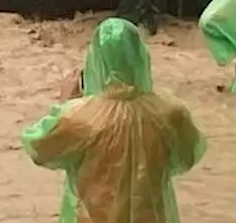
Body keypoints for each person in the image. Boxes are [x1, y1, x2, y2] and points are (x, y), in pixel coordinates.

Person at [22, 17, 206, 223]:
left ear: (95, 61)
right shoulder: (171, 113)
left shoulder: (79, 117)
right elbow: (188, 156)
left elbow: (39, 148)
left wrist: (65, 104)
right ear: (140, 56)